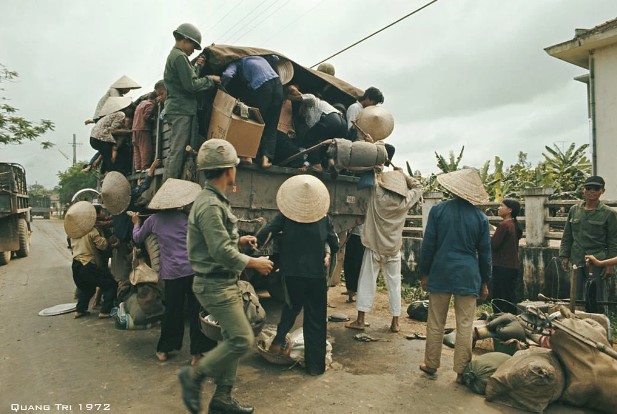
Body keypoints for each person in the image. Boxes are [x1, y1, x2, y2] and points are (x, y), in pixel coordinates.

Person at [178, 139, 273, 414]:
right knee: (241, 339)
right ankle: (193, 376)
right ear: (229, 170)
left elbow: (218, 243)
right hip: (215, 284)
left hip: (222, 281)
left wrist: (241, 242)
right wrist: (254, 262)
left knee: (229, 338)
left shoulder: (214, 201)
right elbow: (219, 251)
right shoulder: (209, 205)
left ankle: (222, 398)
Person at [256, 175, 339, 375]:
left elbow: (265, 233)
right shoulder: (324, 218)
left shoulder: (285, 217)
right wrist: (327, 250)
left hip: (292, 274)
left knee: (291, 308)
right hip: (316, 275)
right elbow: (335, 244)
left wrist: (255, 247)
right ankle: (315, 367)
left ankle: (277, 342)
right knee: (316, 319)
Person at [418, 168, 491, 384]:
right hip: (468, 275)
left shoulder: (438, 211)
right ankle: (461, 371)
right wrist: (485, 281)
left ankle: (431, 364)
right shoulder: (481, 217)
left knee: (435, 321)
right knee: (465, 324)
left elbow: (428, 245)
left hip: (441, 271)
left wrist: (424, 272)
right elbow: (485, 254)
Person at [132, 178, 216, 365]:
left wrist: (136, 223)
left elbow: (138, 239)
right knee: (197, 312)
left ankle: (163, 350)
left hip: (172, 274)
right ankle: (196, 354)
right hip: (193, 271)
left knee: (172, 312)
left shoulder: (153, 220)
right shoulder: (187, 218)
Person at [346, 168, 423, 332]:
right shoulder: (405, 201)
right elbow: (419, 187)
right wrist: (404, 175)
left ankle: (360, 320)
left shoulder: (377, 193)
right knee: (394, 285)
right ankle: (395, 322)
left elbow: (372, 175)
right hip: (393, 249)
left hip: (374, 246)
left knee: (366, 282)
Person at [163, 23, 220, 182]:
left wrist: (197, 67)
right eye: (193, 46)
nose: (193, 50)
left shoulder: (176, 56)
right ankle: (168, 192)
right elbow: (191, 85)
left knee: (180, 150)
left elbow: (187, 80)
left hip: (180, 109)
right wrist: (210, 79)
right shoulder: (180, 57)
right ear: (185, 40)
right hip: (181, 110)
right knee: (178, 151)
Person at [560, 176, 617, 314]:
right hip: (577, 259)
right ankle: (578, 327)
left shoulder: (609, 214)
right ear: (583, 190)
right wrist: (565, 255)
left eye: (596, 189)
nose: (592, 192)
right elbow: (567, 235)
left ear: (602, 191)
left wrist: (609, 264)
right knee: (577, 297)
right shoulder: (574, 210)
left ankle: (601, 327)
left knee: (597, 298)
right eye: (588, 188)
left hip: (598, 261)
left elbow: (613, 241)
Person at [221, 55, 284, 168]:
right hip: (278, 85)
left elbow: (227, 74)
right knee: (270, 124)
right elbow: (275, 58)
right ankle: (266, 159)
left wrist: (222, 88)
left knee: (252, 119)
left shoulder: (237, 62)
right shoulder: (261, 58)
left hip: (262, 86)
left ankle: (247, 156)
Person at [65, 202, 117, 319]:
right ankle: (105, 311)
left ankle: (80, 310)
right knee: (111, 285)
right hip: (88, 265)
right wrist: (108, 240)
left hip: (76, 265)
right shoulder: (92, 231)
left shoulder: (74, 233)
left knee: (86, 288)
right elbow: (103, 246)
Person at [287, 85, 347, 171]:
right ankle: (331, 164)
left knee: (309, 138)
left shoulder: (311, 100)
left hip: (331, 120)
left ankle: (317, 165)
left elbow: (310, 98)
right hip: (342, 124)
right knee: (326, 146)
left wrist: (289, 97)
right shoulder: (307, 116)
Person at [491, 198, 523, 314]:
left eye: (501, 206)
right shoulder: (514, 224)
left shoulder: (504, 225)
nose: (498, 208)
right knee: (510, 296)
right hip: (512, 266)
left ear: (509, 210)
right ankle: (511, 319)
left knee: (500, 297)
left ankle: (500, 320)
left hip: (502, 265)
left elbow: (494, 245)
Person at [89, 96, 132, 174]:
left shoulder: (111, 115)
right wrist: (129, 131)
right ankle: (115, 173)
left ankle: (107, 173)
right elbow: (112, 130)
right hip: (100, 138)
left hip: (94, 138)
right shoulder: (120, 114)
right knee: (113, 158)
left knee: (107, 156)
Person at [132, 91, 157, 171]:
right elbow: (146, 117)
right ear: (155, 98)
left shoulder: (140, 104)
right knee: (145, 148)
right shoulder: (150, 105)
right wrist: (154, 120)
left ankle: (138, 168)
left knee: (137, 150)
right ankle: (145, 167)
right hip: (143, 129)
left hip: (134, 129)